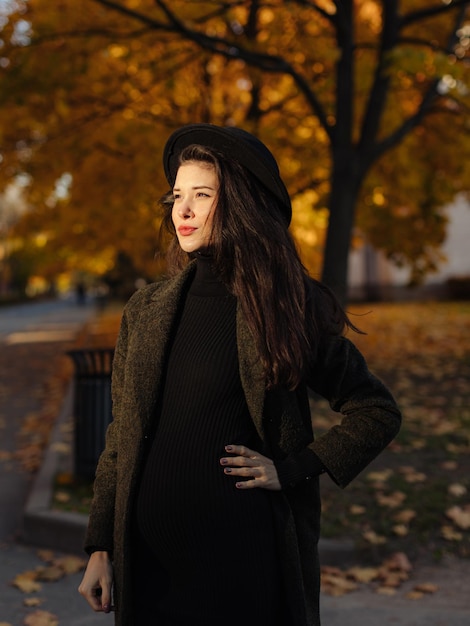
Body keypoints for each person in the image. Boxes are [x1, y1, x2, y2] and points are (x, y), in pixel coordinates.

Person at [78, 123, 401, 626]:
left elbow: (376, 411)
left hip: (241, 569)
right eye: (176, 196)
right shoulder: (146, 310)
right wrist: (100, 544)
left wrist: (292, 469)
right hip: (148, 570)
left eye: (201, 195)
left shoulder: (285, 307)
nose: (181, 211)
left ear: (240, 204)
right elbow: (120, 436)